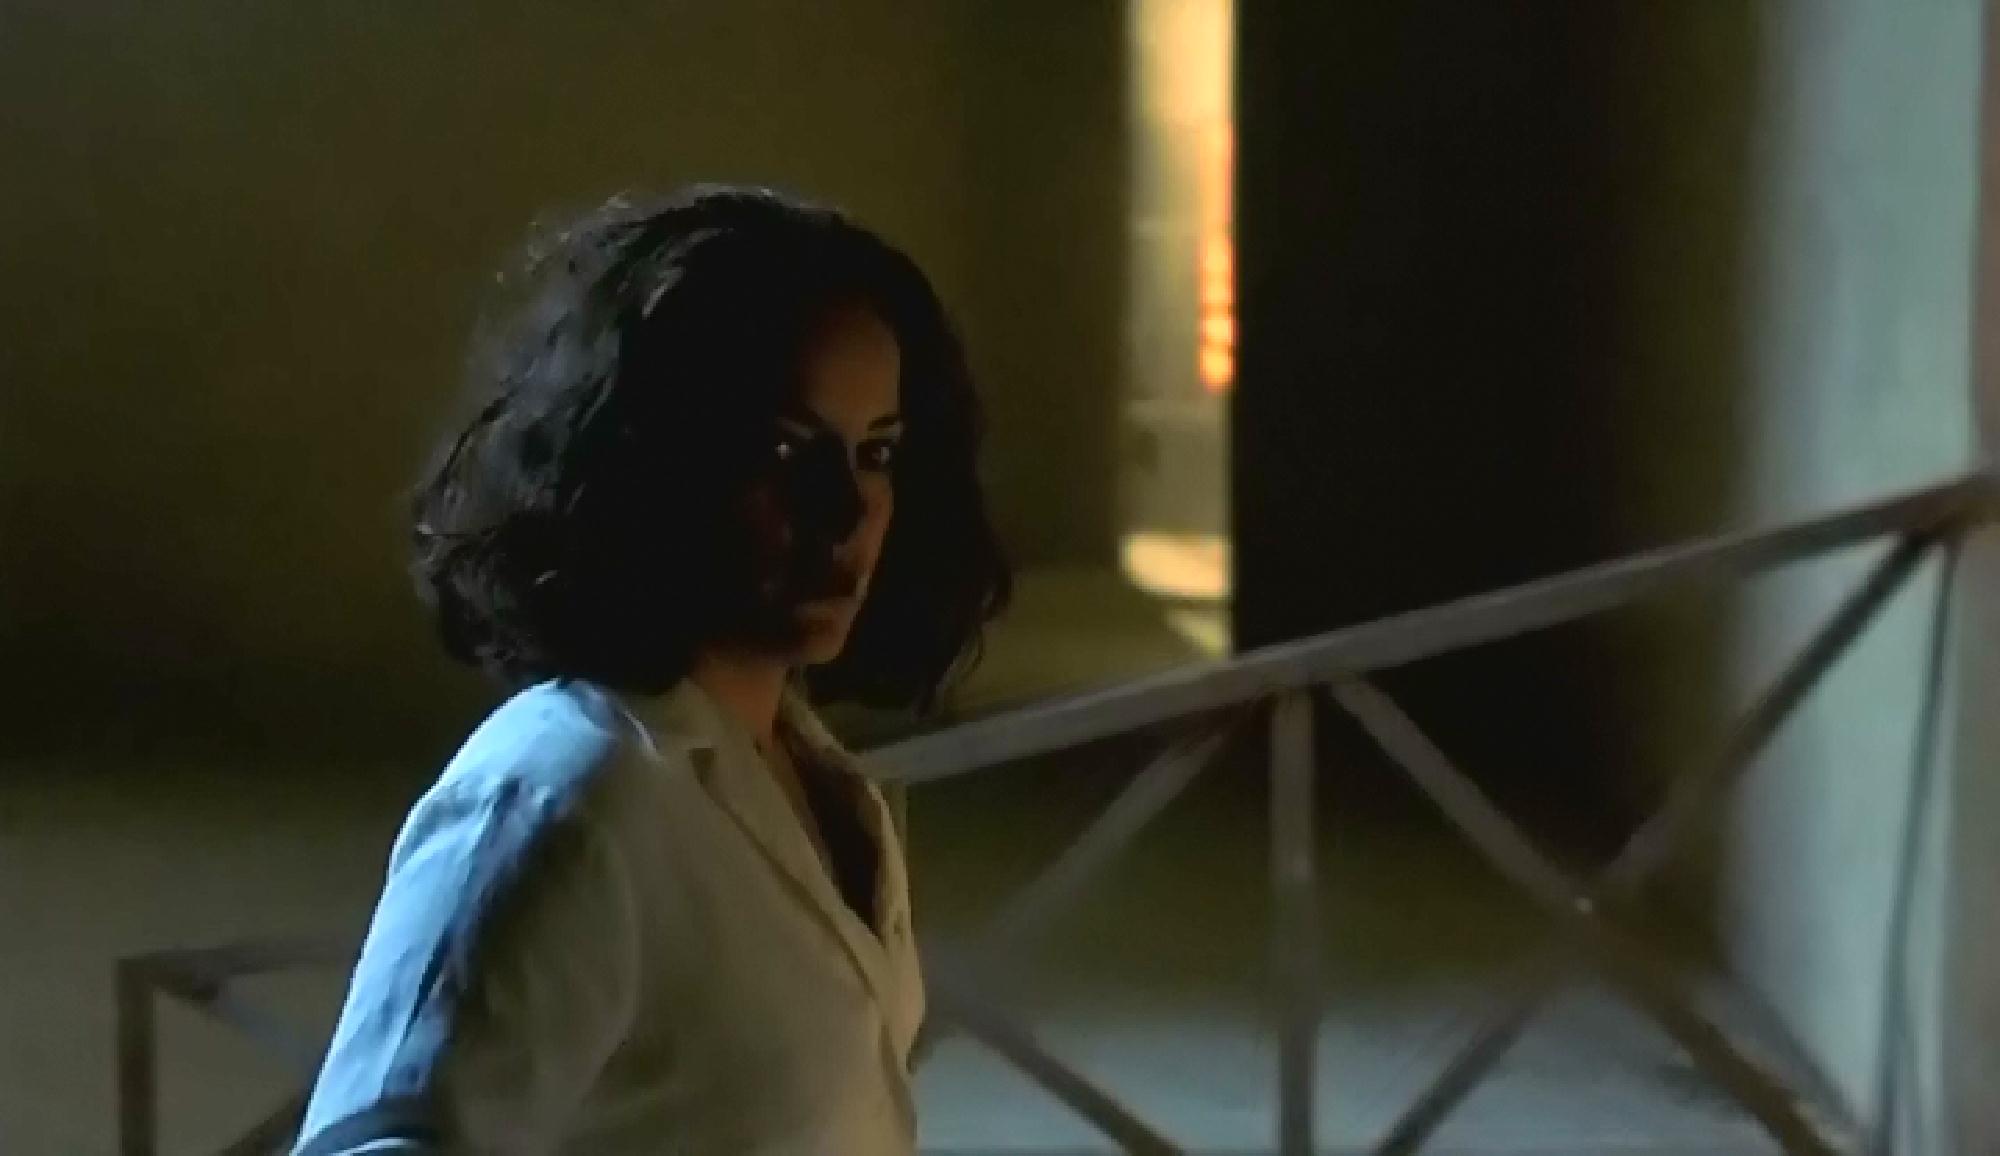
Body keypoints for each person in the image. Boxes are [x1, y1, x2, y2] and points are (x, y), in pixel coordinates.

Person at [292, 185, 1011, 1155]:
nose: (845, 510)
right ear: (657, 456)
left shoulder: (818, 778)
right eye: (784, 448)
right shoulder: (563, 797)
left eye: (875, 452)